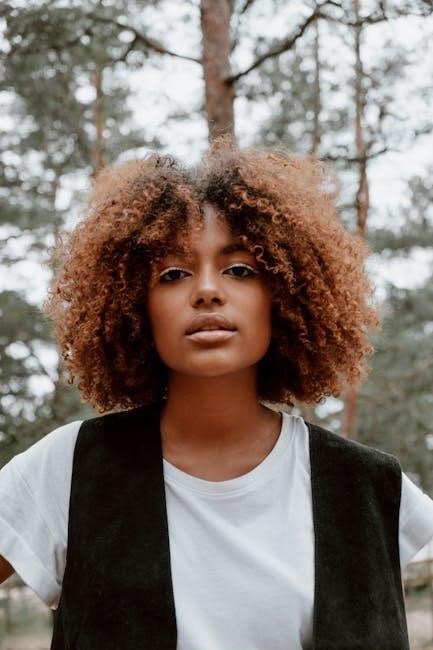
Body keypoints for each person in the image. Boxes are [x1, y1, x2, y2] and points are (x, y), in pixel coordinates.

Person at [0, 136, 432, 649]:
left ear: (284, 293)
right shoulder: (69, 468)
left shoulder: (371, 487)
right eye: (173, 273)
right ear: (134, 304)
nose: (207, 290)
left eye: (240, 269)